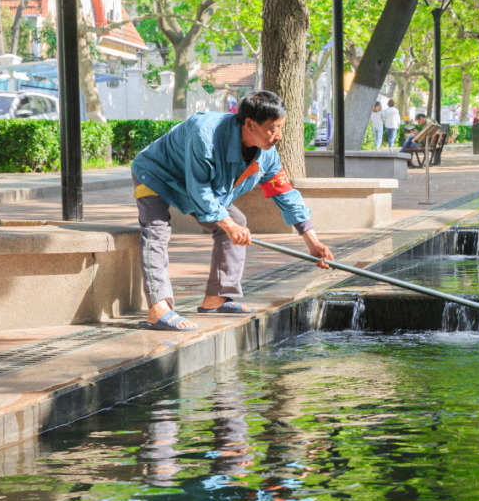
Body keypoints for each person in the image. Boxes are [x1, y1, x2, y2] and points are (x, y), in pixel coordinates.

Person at [130, 91, 334, 332]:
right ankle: (158, 309)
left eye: (281, 128)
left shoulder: (267, 154)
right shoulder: (204, 133)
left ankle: (217, 298)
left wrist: (312, 242)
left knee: (237, 219)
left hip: (195, 185)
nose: (278, 136)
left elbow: (284, 192)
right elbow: (201, 190)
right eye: (273, 128)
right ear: (249, 123)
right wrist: (228, 225)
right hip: (155, 174)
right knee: (157, 231)